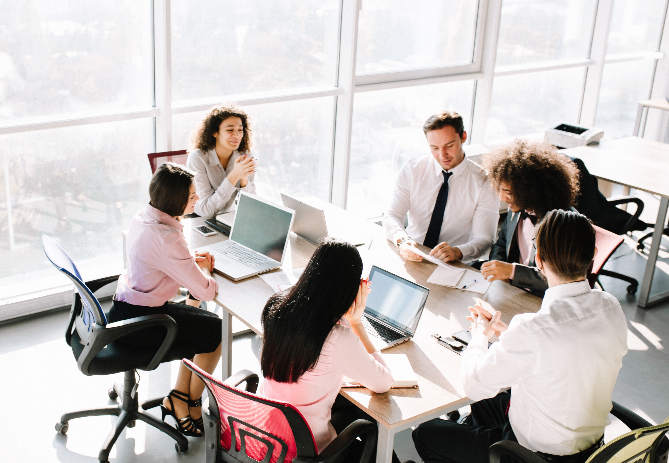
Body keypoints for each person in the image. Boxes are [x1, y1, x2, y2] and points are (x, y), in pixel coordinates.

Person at [412, 209, 628, 463]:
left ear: (538, 260)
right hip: (589, 448)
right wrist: (509, 336)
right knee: (485, 404)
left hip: (535, 456)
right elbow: (568, 354)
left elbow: (472, 385)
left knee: (426, 434)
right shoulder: (611, 306)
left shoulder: (532, 329)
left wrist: (480, 335)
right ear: (593, 254)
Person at [110, 162, 222, 438]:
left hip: (125, 311)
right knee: (216, 332)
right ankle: (191, 404)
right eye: (193, 196)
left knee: (199, 322)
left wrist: (185, 264)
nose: (197, 199)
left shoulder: (144, 217)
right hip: (143, 326)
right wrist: (204, 272)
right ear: (176, 200)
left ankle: (177, 397)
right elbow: (207, 291)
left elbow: (158, 258)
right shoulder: (168, 238)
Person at [259, 238, 394, 457]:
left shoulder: (276, 309)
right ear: (348, 289)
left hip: (267, 436)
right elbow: (383, 382)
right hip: (309, 451)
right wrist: (357, 323)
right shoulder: (336, 337)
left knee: (351, 408)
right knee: (370, 427)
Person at [383, 110, 499, 264]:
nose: (442, 155)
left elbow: (484, 239)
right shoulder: (413, 170)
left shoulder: (484, 181)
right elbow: (392, 215)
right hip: (412, 255)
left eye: (449, 145)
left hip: (454, 264)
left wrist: (458, 252)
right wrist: (402, 241)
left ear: (463, 137)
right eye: (435, 148)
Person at [479, 140, 580, 296]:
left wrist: (512, 272)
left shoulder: (563, 224)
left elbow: (561, 279)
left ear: (531, 190)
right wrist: (497, 269)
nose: (501, 197)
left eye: (508, 192)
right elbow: (502, 243)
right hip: (512, 291)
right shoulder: (518, 208)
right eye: (500, 189)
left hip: (543, 300)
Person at [186, 104, 257, 217]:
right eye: (230, 130)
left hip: (231, 217)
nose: (237, 135)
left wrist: (243, 177)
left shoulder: (245, 154)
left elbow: (252, 205)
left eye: (240, 130)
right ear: (215, 132)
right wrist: (234, 176)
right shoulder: (197, 158)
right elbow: (205, 211)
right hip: (201, 220)